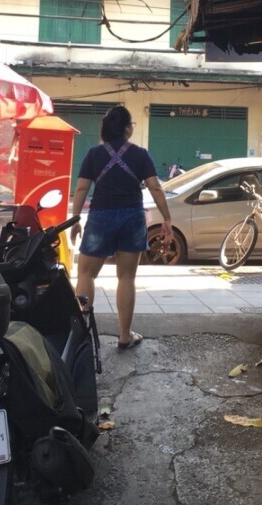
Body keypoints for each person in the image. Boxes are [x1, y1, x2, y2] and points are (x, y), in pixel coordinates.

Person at [70, 106, 173, 351]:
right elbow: (155, 187)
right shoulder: (140, 154)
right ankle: (125, 335)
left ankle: (82, 335)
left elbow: (82, 189)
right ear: (127, 128)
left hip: (100, 216)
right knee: (126, 277)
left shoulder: (94, 154)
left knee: (86, 275)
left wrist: (75, 219)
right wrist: (167, 219)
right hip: (131, 217)